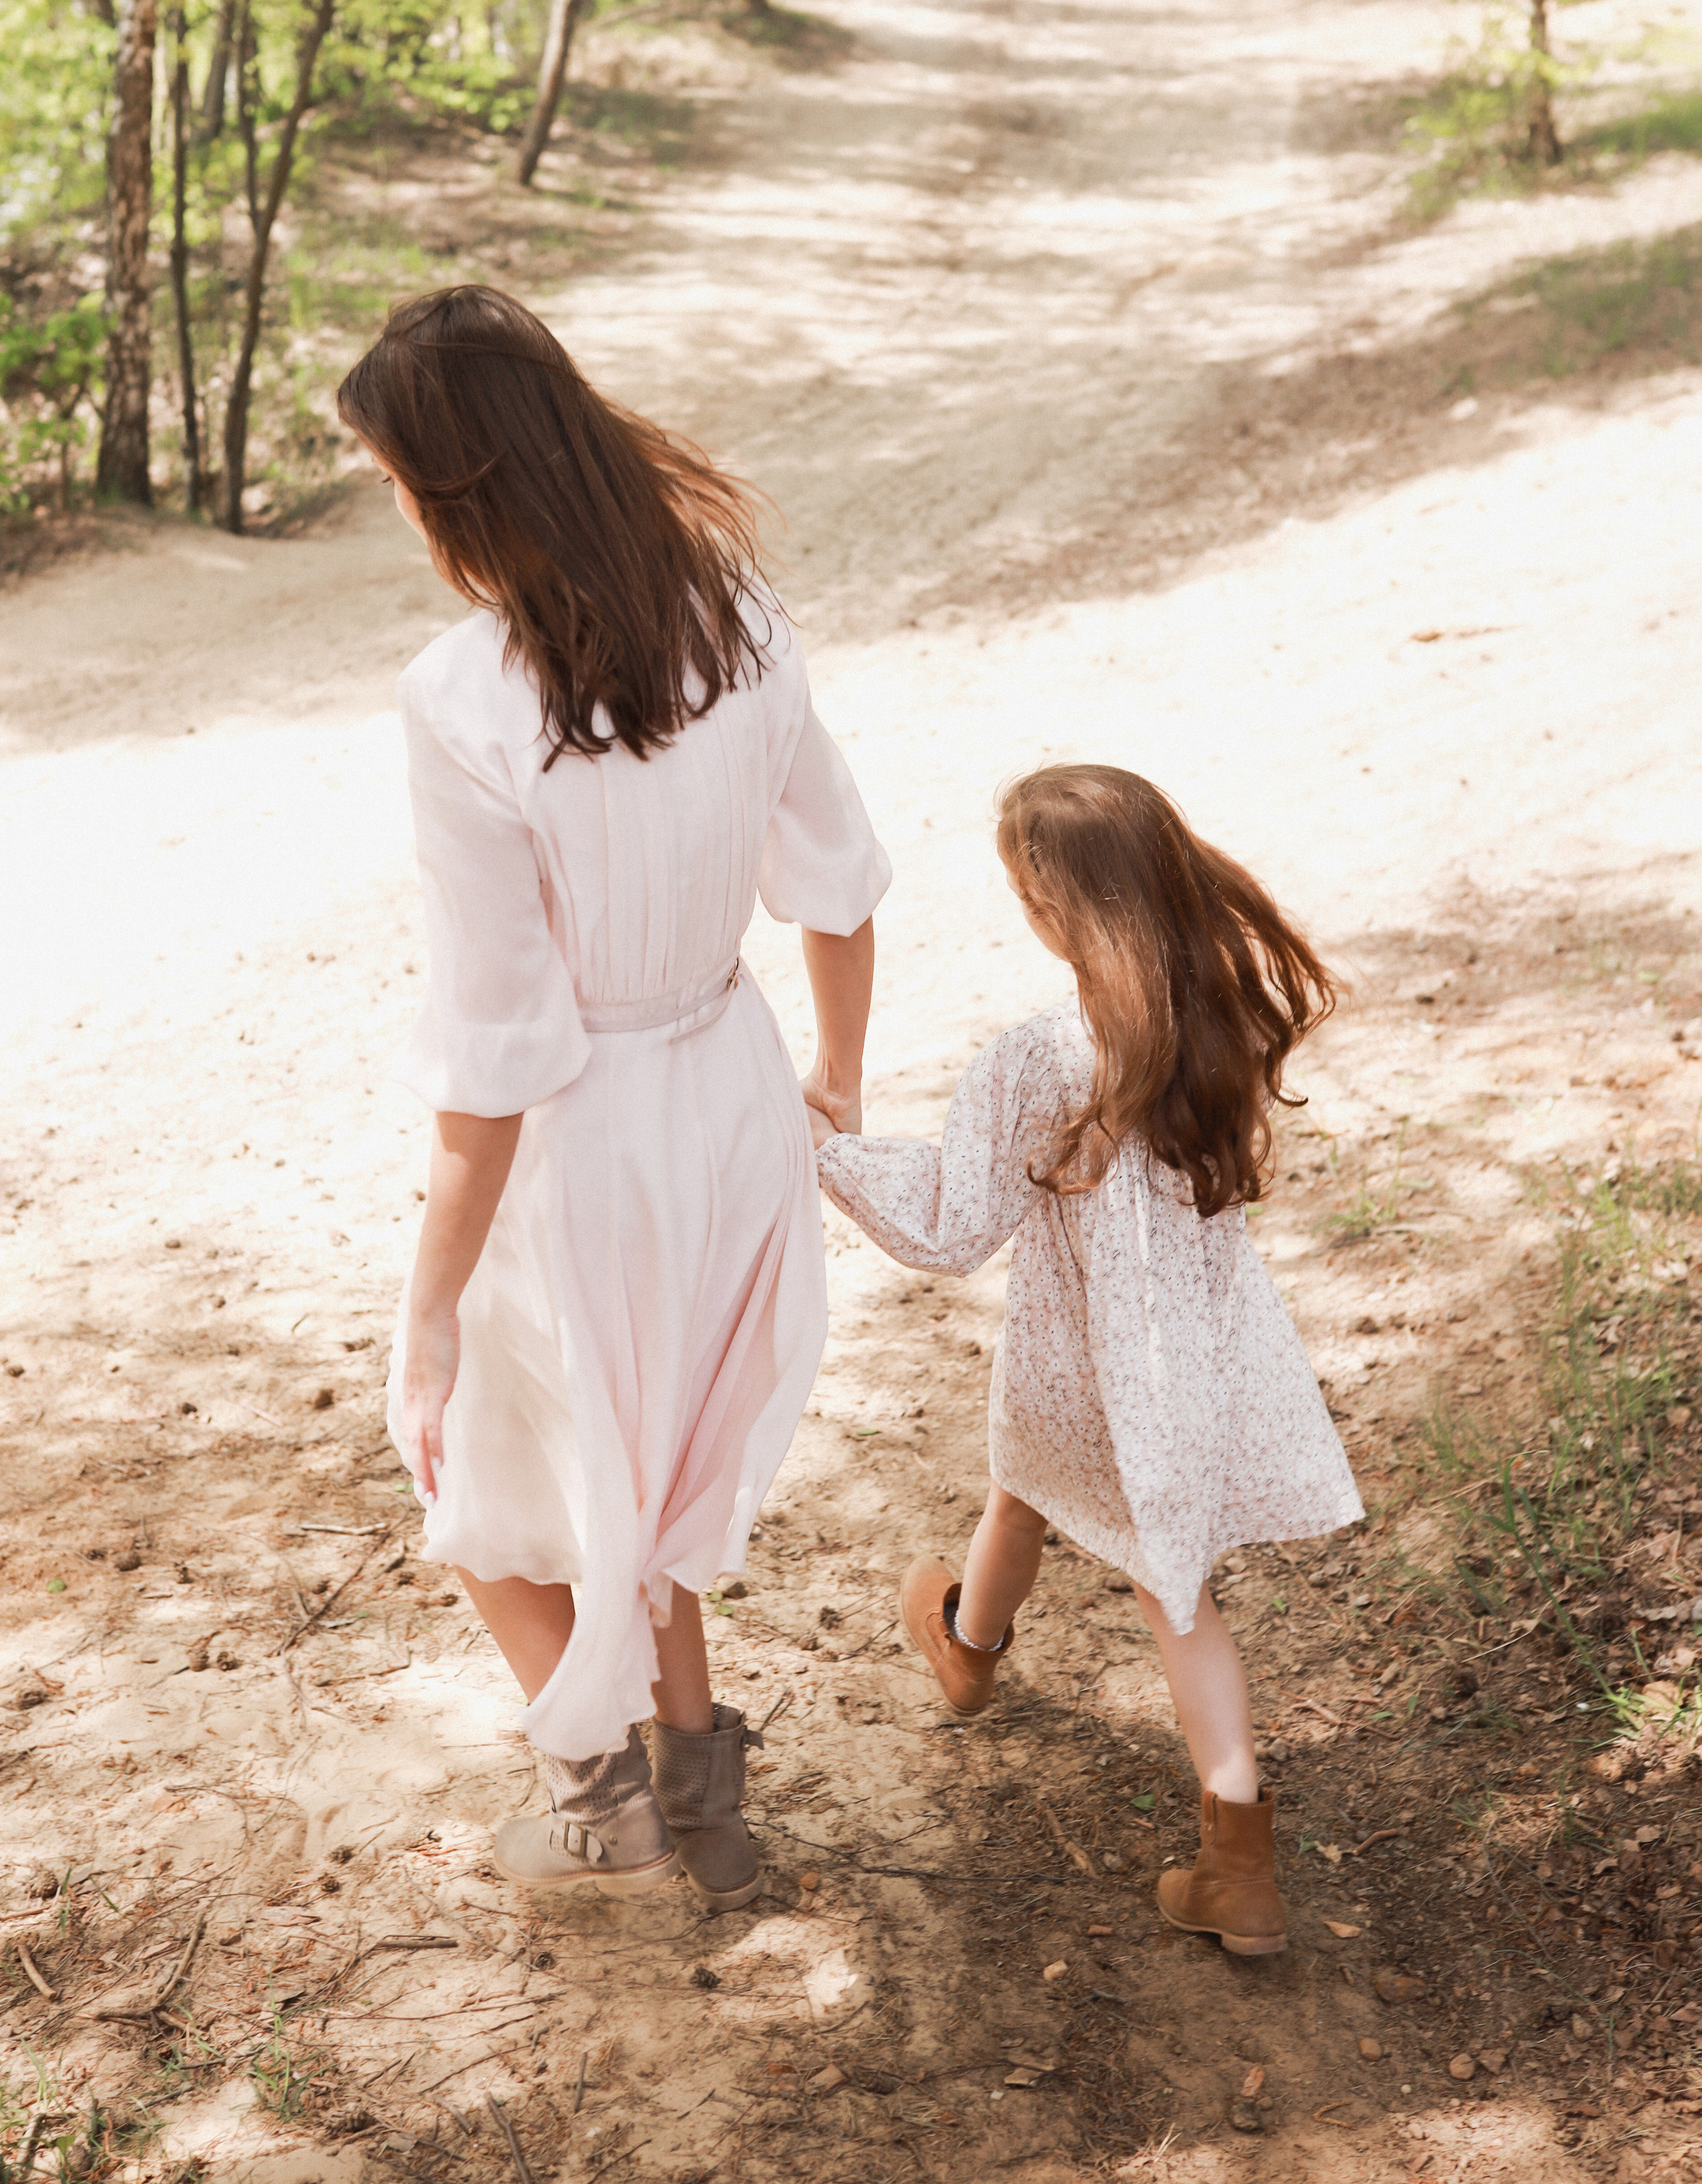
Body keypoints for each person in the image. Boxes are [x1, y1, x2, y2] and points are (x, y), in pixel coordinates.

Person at [340, 288, 888, 1910]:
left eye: (398, 483)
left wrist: (426, 1313)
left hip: (581, 1140)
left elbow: (496, 1055)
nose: (398, 513)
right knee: (640, 1461)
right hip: (728, 1092)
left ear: (463, 491)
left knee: (478, 1475)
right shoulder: (733, 611)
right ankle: (704, 1799)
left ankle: (599, 1799)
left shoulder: (463, 697)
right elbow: (838, 885)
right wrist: (835, 1080)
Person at [814, 764, 1361, 1956]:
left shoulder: (1038, 1058)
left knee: (1058, 1508)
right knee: (1140, 1562)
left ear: (1049, 911)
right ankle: (1222, 1854)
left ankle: (985, 1665)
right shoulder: (1213, 1019)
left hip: (1080, 1367)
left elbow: (953, 1227)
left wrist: (829, 1155)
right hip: (1199, 1365)